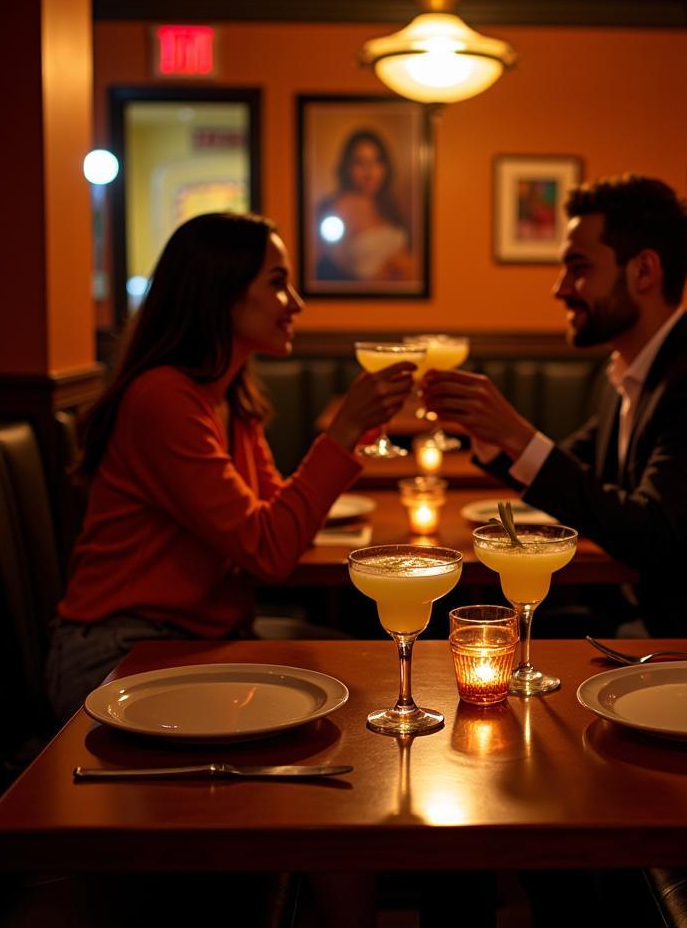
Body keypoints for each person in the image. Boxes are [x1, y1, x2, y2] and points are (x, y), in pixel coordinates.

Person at [47, 212, 416, 722]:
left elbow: (281, 530)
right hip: (122, 652)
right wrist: (343, 434)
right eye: (278, 283)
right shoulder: (164, 400)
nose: (297, 304)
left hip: (200, 642)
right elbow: (269, 550)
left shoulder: (228, 395)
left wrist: (352, 435)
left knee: (365, 683)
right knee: (352, 698)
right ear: (220, 293)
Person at [423, 174, 687, 643]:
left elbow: (652, 534)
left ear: (644, 271)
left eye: (577, 267)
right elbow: (577, 468)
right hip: (649, 622)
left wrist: (517, 435)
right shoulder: (629, 369)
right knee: (477, 634)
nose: (560, 288)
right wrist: (487, 433)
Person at [315, 128, 414, 282]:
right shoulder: (336, 209)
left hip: (403, 300)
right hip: (361, 301)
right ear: (347, 167)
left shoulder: (390, 205)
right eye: (360, 163)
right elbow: (330, 271)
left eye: (376, 162)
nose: (369, 172)